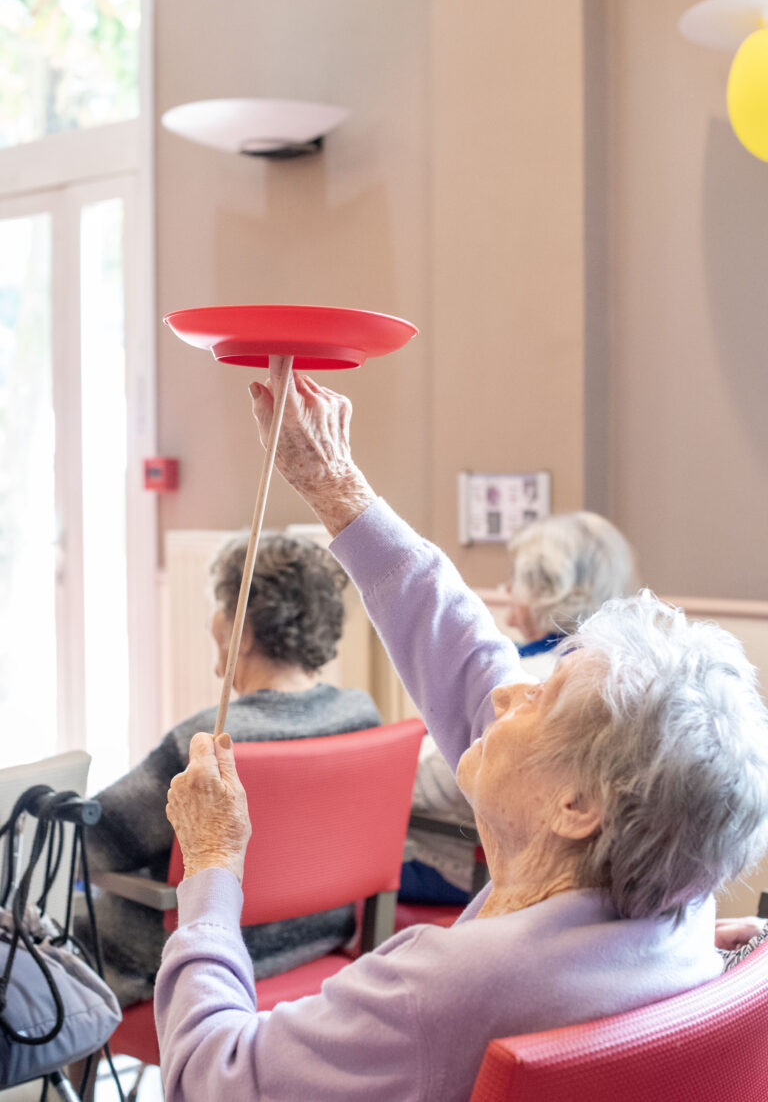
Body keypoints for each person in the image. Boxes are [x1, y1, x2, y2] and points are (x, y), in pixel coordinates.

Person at [154, 372, 768, 1102]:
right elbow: (474, 663)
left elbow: (209, 1077)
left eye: (541, 697)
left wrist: (212, 865)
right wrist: (333, 483)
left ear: (575, 806)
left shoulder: (439, 988)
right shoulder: (682, 905)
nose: (508, 691)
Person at [82, 529, 380, 1006]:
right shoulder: (360, 716)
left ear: (242, 631)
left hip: (192, 964)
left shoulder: (209, 745)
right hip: (316, 943)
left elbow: (88, 844)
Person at [402, 510, 637, 904]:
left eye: (515, 576)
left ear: (547, 588)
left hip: (468, 867)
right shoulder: (612, 672)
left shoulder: (531, 682)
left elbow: (436, 785)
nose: (506, 587)